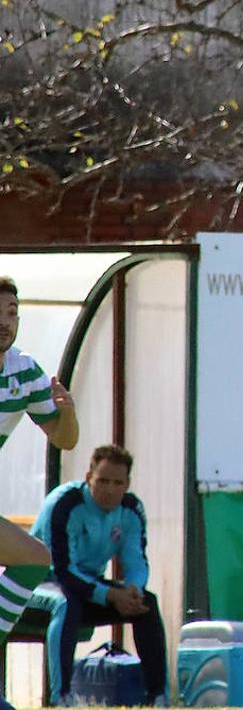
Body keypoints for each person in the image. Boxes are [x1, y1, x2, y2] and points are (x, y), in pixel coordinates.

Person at [30, 444, 167, 706]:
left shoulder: (131, 509)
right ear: (88, 477)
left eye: (117, 482)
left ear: (127, 484)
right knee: (65, 601)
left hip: (86, 587)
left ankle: (158, 696)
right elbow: (63, 570)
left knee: (146, 603)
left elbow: (136, 561)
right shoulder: (64, 504)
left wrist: (133, 590)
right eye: (102, 480)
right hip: (41, 584)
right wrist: (110, 595)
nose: (109, 489)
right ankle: (61, 696)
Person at [0, 276, 79, 710]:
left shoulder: (24, 371)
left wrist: (68, 411)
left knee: (34, 557)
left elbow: (65, 439)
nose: (5, 322)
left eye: (12, 313)